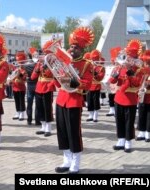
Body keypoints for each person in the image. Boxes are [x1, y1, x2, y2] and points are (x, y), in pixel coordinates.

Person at [54, 27, 94, 174]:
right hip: (61, 100)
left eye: (76, 47)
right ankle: (66, 161)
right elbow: (58, 84)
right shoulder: (63, 62)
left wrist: (72, 81)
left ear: (81, 49)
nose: (72, 49)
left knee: (73, 133)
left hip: (74, 101)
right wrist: (54, 74)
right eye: (71, 46)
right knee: (62, 132)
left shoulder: (86, 64)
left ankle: (75, 163)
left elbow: (87, 84)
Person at [109, 39, 144, 153]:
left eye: (130, 56)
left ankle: (128, 142)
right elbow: (113, 80)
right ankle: (121, 140)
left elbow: (136, 83)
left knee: (129, 122)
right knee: (119, 120)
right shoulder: (120, 67)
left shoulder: (139, 69)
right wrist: (115, 73)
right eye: (127, 55)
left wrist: (129, 70)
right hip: (119, 98)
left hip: (130, 99)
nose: (127, 58)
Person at [31, 41, 56, 137]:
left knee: (47, 108)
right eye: (44, 53)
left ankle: (48, 128)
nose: (44, 55)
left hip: (48, 86)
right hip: (39, 87)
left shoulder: (53, 63)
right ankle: (43, 126)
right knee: (39, 107)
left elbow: (52, 75)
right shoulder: (39, 63)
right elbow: (33, 77)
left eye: (46, 53)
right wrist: (38, 68)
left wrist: (46, 66)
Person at [136, 50, 150, 142]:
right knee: (141, 114)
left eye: (148, 61)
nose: (146, 63)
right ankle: (141, 132)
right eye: (145, 61)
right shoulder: (141, 69)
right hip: (142, 96)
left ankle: (148, 133)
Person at [86, 50, 105, 122]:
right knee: (89, 101)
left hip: (96, 85)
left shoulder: (101, 67)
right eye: (93, 59)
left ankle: (95, 116)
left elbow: (101, 77)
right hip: (89, 86)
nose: (93, 60)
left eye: (95, 59)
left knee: (96, 101)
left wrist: (95, 73)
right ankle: (90, 114)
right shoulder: (88, 66)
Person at [26, 48, 40, 126]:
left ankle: (29, 120)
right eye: (36, 55)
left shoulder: (26, 64)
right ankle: (37, 121)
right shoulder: (38, 64)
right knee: (37, 104)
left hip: (30, 85)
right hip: (36, 85)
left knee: (29, 104)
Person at [11, 51, 27, 121]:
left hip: (21, 87)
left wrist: (19, 74)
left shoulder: (24, 69)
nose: (19, 64)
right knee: (16, 100)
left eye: (21, 62)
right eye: (19, 62)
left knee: (21, 101)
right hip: (15, 86)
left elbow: (24, 78)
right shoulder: (15, 68)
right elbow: (12, 76)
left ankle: (22, 114)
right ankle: (17, 112)